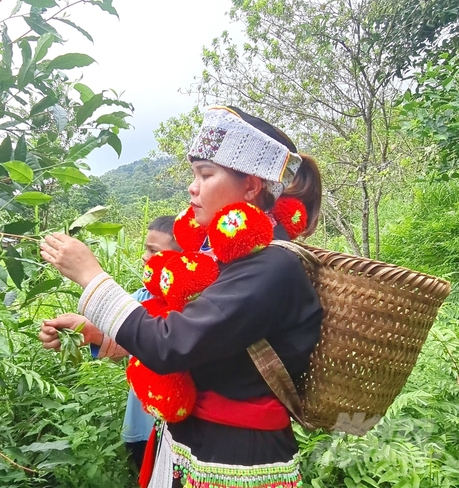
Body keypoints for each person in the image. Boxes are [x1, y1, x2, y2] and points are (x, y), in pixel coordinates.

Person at [40, 106, 323, 488]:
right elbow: (200, 340)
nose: (193, 187)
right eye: (195, 174)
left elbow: (172, 346)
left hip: (235, 460)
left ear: (252, 187)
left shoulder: (271, 267)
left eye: (206, 174)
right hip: (197, 446)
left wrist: (93, 279)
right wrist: (95, 331)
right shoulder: (230, 260)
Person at [39, 216, 182, 470]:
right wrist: (82, 332)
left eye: (154, 250)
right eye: (145, 248)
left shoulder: (192, 305)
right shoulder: (142, 297)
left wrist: (89, 275)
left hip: (174, 431)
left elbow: (154, 338)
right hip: (139, 426)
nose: (145, 257)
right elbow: (121, 341)